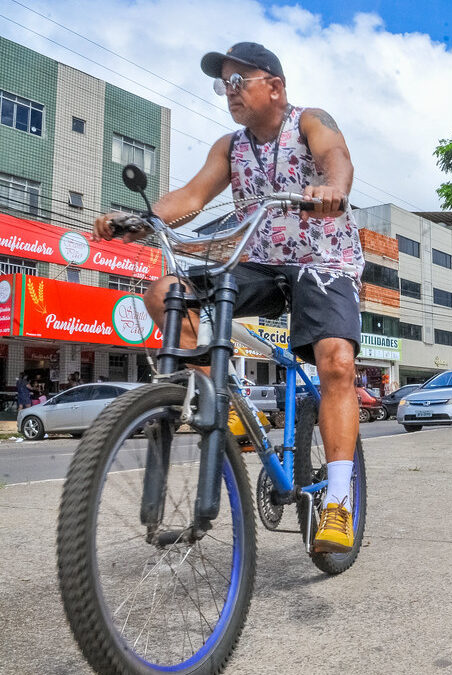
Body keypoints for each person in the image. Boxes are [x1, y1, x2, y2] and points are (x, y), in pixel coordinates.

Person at [93, 42, 363, 554]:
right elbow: (190, 199)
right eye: (223, 85)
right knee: (164, 294)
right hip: (257, 259)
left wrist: (332, 188)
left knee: (335, 363)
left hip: (323, 260)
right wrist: (141, 219)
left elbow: (336, 158)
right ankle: (218, 392)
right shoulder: (230, 147)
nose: (229, 93)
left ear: (274, 87)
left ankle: (339, 502)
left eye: (238, 82)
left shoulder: (310, 121)